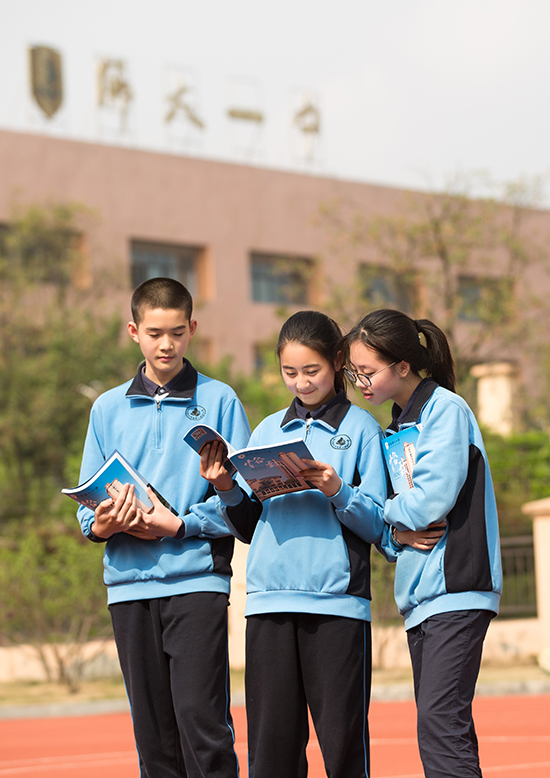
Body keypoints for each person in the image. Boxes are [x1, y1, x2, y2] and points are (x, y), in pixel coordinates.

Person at [200, 310, 387, 778]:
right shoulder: (265, 432)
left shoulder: (362, 430)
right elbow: (248, 525)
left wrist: (336, 489)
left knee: (343, 748)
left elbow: (380, 524)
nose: (301, 383)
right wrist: (224, 484)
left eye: (312, 371)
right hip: (268, 605)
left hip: (337, 607)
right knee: (271, 754)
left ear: (337, 362)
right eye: (289, 372)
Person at [76, 277, 250, 778]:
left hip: (197, 583)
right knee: (152, 736)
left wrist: (178, 524)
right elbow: (87, 514)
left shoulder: (221, 401)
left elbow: (244, 506)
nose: (166, 344)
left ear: (192, 329)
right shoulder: (107, 408)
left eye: (176, 332)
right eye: (154, 333)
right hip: (128, 590)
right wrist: (105, 522)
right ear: (133, 331)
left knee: (202, 726)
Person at [342, 308, 502, 778]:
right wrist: (394, 525)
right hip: (421, 597)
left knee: (439, 722)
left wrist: (381, 509)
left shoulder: (445, 411)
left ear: (403, 367)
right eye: (354, 372)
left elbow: (430, 500)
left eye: (366, 371)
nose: (359, 382)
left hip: (457, 587)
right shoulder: (396, 427)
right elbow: (403, 520)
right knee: (442, 724)